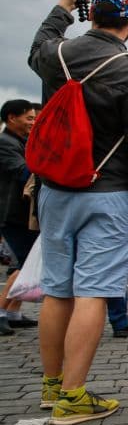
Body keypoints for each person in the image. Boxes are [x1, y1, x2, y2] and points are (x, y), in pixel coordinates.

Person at [29, 0, 128, 425]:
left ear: (94, 13)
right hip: (109, 192)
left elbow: (39, 45)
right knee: (93, 292)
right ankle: (72, 398)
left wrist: (63, 5)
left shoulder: (57, 55)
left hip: (55, 190)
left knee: (56, 290)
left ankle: (50, 387)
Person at [0, 99, 39, 333]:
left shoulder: (20, 141)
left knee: (26, 262)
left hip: (22, 213)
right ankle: (2, 310)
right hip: (12, 214)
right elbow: (22, 170)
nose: (32, 123)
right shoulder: (5, 143)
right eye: (29, 118)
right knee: (24, 264)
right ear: (12, 118)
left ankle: (13, 312)